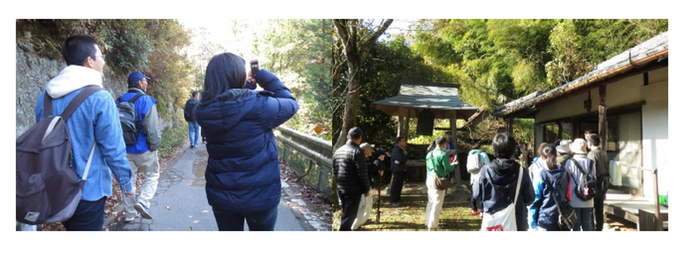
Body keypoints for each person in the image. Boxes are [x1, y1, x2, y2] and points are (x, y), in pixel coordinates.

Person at [35, 35, 134, 230]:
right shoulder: (100, 98)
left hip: (55, 187)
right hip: (87, 190)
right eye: (101, 56)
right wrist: (127, 184)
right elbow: (113, 149)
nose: (103, 61)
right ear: (89, 61)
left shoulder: (44, 98)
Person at [195, 53, 298, 231]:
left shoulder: (203, 110)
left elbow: (229, 103)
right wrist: (264, 77)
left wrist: (246, 87)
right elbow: (290, 103)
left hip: (222, 196)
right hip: (260, 196)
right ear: (238, 76)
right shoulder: (260, 106)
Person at [117, 71, 162, 222]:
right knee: (152, 175)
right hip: (143, 149)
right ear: (139, 83)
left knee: (129, 180)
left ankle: (130, 214)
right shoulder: (147, 101)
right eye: (145, 81)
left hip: (124, 149)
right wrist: (154, 146)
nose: (147, 83)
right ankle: (143, 201)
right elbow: (152, 128)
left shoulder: (117, 101)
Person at [473, 132, 535, 231]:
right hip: (516, 222)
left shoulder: (485, 170)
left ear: (494, 149)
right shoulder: (521, 172)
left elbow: (476, 194)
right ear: (513, 149)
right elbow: (530, 198)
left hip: (493, 224)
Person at [333, 127, 370, 231]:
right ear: (360, 138)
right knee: (349, 217)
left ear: (347, 137)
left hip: (341, 188)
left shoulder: (338, 151)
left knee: (346, 214)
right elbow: (362, 173)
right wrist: (366, 189)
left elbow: (335, 170)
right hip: (353, 190)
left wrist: (339, 184)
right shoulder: (358, 152)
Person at [528, 143, 572, 231]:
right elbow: (568, 194)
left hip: (545, 219)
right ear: (556, 155)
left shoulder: (541, 174)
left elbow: (535, 200)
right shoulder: (565, 172)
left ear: (542, 157)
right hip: (562, 217)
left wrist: (532, 224)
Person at [566, 138, 596, 231]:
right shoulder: (591, 162)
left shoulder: (570, 162)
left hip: (574, 198)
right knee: (587, 225)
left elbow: (567, 179)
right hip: (588, 198)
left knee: (576, 225)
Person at [425, 137, 455, 230]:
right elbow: (447, 168)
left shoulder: (429, 154)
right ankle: (433, 225)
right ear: (444, 144)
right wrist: (453, 165)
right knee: (437, 203)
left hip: (429, 177)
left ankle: (427, 222)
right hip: (438, 180)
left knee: (430, 201)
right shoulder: (443, 154)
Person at [587, 134, 609, 231]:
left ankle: (592, 227)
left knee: (591, 207)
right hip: (604, 182)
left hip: (596, 183)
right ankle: (599, 228)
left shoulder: (591, 154)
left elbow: (591, 171)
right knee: (600, 208)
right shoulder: (604, 153)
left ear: (590, 143)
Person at [468, 143, 490, 215]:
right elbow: (488, 164)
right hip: (482, 175)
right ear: (480, 147)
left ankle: (474, 209)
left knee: (474, 192)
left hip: (473, 176)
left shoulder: (470, 155)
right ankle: (482, 210)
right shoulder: (483, 154)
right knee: (483, 192)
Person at [390, 136, 409, 206]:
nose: (405, 142)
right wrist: (405, 155)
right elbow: (401, 159)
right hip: (397, 169)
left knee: (399, 185)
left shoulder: (402, 149)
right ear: (399, 142)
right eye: (403, 141)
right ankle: (394, 200)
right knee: (396, 185)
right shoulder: (396, 149)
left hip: (401, 169)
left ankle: (397, 199)